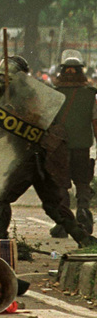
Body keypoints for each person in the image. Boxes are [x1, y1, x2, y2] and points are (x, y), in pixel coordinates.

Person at [0, 56, 96, 247]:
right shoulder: (13, 96)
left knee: (2, 199)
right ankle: (84, 239)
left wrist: (0, 117)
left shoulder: (29, 95)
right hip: (36, 157)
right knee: (54, 206)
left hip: (33, 157)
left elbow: (30, 124)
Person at [49, 55, 97, 238]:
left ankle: (63, 223)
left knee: (61, 184)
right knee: (82, 182)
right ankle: (83, 212)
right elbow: (95, 122)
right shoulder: (90, 94)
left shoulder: (53, 94)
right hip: (82, 148)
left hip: (59, 148)